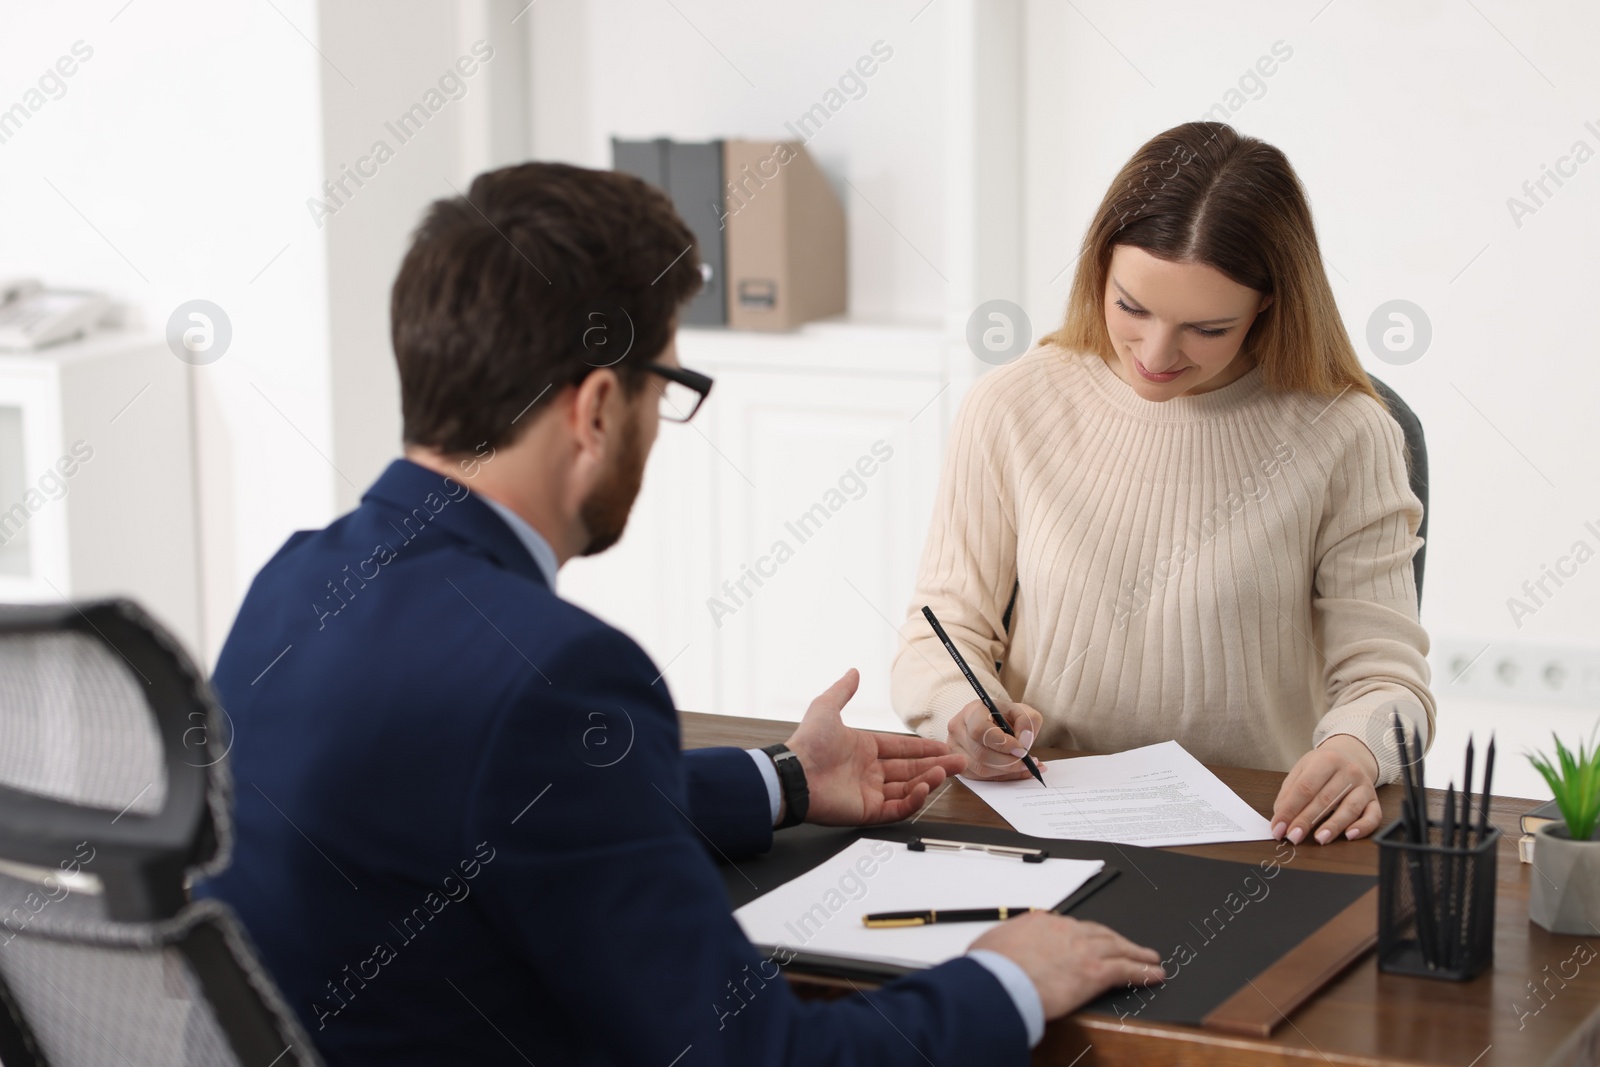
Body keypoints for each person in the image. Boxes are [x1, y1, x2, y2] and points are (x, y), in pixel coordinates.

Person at [196, 161, 1160, 1065]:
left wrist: (783, 781)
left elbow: (490, 806)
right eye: (671, 386)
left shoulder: (291, 582)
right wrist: (1008, 978)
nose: (662, 424)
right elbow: (760, 1056)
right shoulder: (558, 674)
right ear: (599, 408)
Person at [890, 121, 1435, 849]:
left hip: (1257, 829)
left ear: (1268, 303)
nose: (1155, 354)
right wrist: (963, 708)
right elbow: (940, 633)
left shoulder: (1347, 434)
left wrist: (1356, 750)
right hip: (1044, 816)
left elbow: (1388, 681)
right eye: (1132, 307)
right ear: (1098, 272)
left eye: (1206, 328)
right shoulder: (1011, 407)